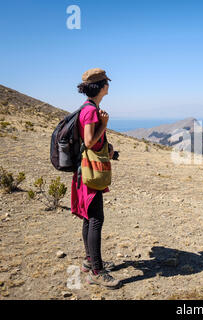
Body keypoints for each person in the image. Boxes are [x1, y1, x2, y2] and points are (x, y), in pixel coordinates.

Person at [71, 68, 121, 289]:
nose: (108, 86)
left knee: (88, 217)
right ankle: (97, 272)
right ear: (100, 86)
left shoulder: (89, 109)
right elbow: (90, 141)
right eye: (106, 83)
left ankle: (89, 260)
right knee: (96, 219)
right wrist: (104, 125)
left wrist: (108, 149)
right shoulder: (91, 111)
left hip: (85, 172)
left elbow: (91, 143)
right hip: (90, 174)